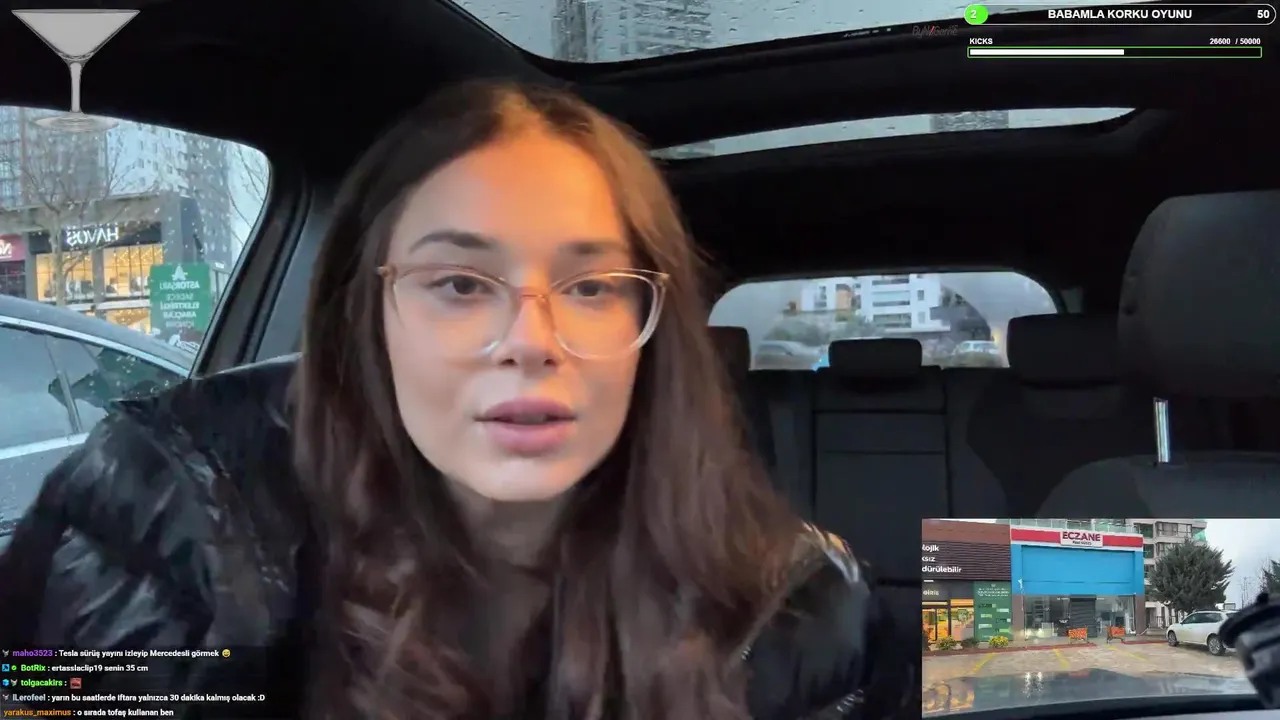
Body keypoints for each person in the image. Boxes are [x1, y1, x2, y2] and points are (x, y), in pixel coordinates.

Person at [0, 81, 911, 719]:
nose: (530, 339)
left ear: (653, 333)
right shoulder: (159, 525)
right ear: (366, 317)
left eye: (592, 287)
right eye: (461, 284)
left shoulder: (799, 612)